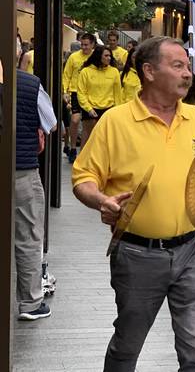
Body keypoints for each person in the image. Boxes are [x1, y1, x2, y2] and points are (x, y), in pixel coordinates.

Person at [72, 36, 195, 371]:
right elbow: (83, 178)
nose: (187, 74)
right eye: (177, 65)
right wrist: (102, 200)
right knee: (128, 344)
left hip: (193, 248)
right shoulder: (115, 121)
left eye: (187, 66)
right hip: (138, 253)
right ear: (149, 71)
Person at [14, 42, 58, 320]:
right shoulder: (30, 84)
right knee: (28, 237)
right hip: (22, 171)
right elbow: (51, 123)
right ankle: (30, 304)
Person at [77, 46, 121, 147]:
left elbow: (118, 93)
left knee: (106, 139)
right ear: (98, 56)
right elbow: (81, 92)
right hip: (91, 108)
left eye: (110, 56)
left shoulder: (114, 71)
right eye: (106, 55)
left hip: (108, 109)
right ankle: (83, 160)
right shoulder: (86, 71)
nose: (109, 58)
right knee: (88, 136)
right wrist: (88, 109)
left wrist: (117, 110)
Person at [62, 32, 95, 163]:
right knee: (75, 120)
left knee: (89, 124)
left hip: (90, 92)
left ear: (92, 45)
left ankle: (85, 150)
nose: (84, 47)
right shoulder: (74, 57)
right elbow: (66, 75)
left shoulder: (95, 57)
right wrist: (65, 91)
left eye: (86, 45)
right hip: (75, 91)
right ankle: (72, 147)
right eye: (82, 44)